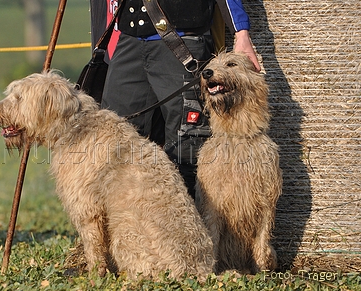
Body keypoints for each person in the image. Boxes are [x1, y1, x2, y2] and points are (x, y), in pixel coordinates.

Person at [90, 0, 260, 198]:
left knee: (186, 149)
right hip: (130, 39)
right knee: (114, 143)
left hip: (182, 42)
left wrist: (241, 32)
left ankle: (190, 225)